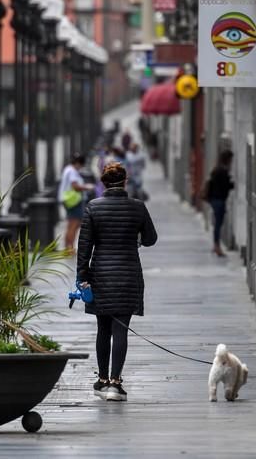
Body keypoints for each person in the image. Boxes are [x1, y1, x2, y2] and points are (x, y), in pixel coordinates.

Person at [77, 162, 158, 402]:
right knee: (120, 329)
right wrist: (137, 238)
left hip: (100, 274)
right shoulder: (138, 207)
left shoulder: (93, 207)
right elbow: (151, 238)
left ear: (103, 183)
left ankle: (102, 380)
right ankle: (115, 383)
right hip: (128, 274)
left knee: (103, 328)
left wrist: (82, 277)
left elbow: (84, 247)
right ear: (125, 181)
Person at [59, 154, 93, 254]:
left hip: (69, 200)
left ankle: (67, 247)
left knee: (71, 224)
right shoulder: (72, 171)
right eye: (81, 165)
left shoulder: (68, 169)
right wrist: (87, 187)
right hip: (74, 201)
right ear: (78, 163)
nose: (81, 168)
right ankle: (70, 248)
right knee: (74, 224)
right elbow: (75, 186)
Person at [205, 150, 235, 257]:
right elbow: (225, 186)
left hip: (214, 200)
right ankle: (217, 246)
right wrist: (232, 183)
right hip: (219, 200)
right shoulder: (222, 171)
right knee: (218, 224)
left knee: (217, 224)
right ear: (228, 160)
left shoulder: (216, 169)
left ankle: (215, 245)